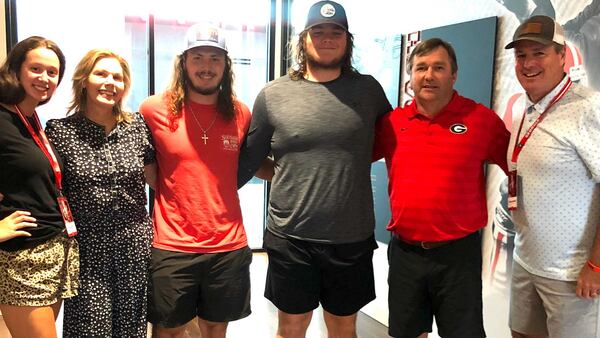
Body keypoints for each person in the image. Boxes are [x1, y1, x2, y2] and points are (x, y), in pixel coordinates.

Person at [238, 1, 392, 337]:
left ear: (347, 40)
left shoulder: (369, 91)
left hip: (351, 238)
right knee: (291, 328)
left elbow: (395, 143)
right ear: (303, 39)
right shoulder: (273, 94)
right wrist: (291, 173)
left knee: (343, 327)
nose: (326, 38)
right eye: (317, 32)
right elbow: (249, 161)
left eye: (335, 32)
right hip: (291, 238)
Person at [373, 38, 510, 338]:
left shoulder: (481, 120)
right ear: (411, 75)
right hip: (405, 254)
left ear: (454, 75)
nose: (429, 75)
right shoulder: (392, 123)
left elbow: (517, 166)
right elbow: (350, 159)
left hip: (458, 255)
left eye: (438, 67)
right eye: (421, 68)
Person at [140, 23, 253, 338]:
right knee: (168, 331)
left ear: (225, 65)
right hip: (172, 244)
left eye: (215, 58)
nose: (207, 66)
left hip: (228, 244)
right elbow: (145, 164)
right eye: (198, 57)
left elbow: (250, 165)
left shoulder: (241, 113)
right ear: (183, 63)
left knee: (216, 330)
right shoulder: (153, 110)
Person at [44, 49, 156, 337]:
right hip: (87, 249)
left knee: (131, 327)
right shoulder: (60, 132)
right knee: (90, 328)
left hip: (134, 245)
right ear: (84, 80)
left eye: (117, 77)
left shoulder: (137, 128)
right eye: (101, 74)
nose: (110, 82)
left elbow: (157, 179)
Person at [505, 15, 600, 338]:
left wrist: (596, 266)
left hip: (570, 274)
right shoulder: (525, 109)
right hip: (525, 260)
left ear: (562, 56)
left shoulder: (588, 107)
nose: (528, 63)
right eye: (521, 55)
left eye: (538, 53)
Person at [0, 36, 79, 338]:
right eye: (36, 68)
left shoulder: (31, 118)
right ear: (16, 69)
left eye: (52, 72)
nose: (45, 78)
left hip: (54, 249)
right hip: (23, 259)